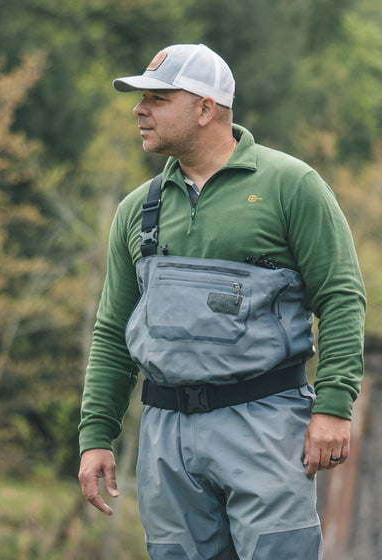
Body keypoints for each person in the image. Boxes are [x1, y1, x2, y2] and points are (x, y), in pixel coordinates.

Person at [78, 43, 366, 560]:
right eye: (141, 98)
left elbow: (342, 297)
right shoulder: (136, 210)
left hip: (266, 424)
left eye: (157, 99)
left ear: (205, 109)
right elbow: (112, 332)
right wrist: (97, 434)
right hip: (165, 436)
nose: (139, 110)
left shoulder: (291, 186)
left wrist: (334, 406)